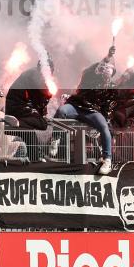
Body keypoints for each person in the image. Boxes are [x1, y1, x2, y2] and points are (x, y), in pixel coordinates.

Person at [55, 46, 118, 174]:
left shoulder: (111, 87)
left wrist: (107, 118)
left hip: (93, 111)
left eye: (110, 70)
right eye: (105, 68)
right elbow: (93, 69)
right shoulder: (90, 75)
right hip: (77, 105)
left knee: (104, 127)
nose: (107, 72)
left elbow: (109, 104)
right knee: (62, 111)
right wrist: (107, 57)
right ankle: (55, 140)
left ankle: (107, 160)